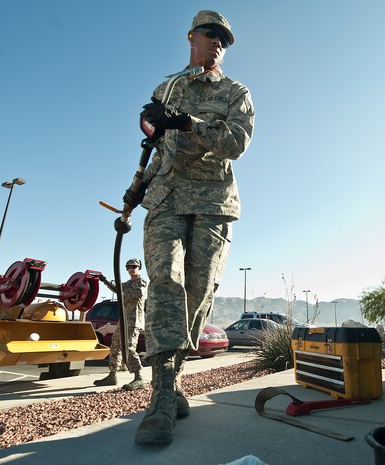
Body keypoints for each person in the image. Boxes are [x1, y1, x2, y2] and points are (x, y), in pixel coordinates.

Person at [123, 10, 254, 445]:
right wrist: (135, 190)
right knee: (165, 283)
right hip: (164, 200)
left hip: (212, 202)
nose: (217, 43)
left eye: (224, 39)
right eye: (210, 34)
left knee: (198, 293)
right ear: (191, 36)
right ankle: (161, 396)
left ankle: (174, 381)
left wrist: (187, 122)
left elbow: (236, 144)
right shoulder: (167, 88)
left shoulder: (236, 92)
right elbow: (156, 150)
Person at [94, 258, 148, 391]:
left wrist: (121, 294)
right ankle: (112, 375)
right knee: (115, 346)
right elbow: (116, 288)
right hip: (123, 320)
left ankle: (139, 377)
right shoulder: (129, 283)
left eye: (134, 266)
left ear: (139, 268)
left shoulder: (141, 282)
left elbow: (137, 293)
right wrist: (104, 280)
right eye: (129, 267)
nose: (131, 269)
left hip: (133, 320)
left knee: (128, 347)